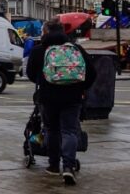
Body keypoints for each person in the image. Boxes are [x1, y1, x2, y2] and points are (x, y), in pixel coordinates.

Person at [26, 19, 96, 185]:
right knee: (70, 131)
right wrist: (80, 88)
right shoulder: (76, 49)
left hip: (48, 97)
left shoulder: (38, 51)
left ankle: (53, 166)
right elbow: (92, 73)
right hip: (72, 97)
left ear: (46, 32)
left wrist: (43, 81)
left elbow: (30, 74)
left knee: (51, 130)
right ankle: (69, 167)